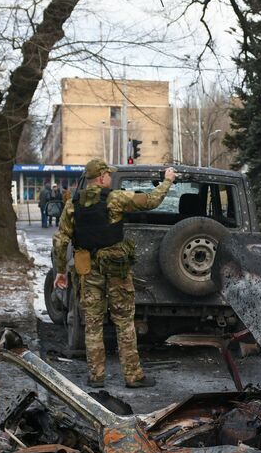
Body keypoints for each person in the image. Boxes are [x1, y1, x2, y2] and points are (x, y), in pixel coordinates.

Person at [53, 160, 177, 388]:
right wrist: (167, 181)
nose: (110, 178)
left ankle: (96, 376)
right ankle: (133, 376)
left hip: (88, 270)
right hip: (116, 270)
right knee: (124, 322)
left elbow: (60, 240)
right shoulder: (115, 198)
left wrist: (60, 271)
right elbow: (150, 201)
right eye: (108, 175)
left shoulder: (73, 204)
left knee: (92, 324)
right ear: (101, 177)